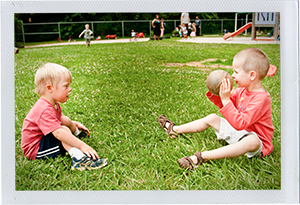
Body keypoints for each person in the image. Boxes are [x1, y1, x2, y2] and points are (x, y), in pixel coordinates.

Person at [158, 47, 274, 170]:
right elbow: (228, 108)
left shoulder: (261, 99)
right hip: (240, 132)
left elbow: (240, 123)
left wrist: (226, 99)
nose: (233, 76)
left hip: (256, 142)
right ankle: (174, 129)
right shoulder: (242, 90)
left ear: (252, 75)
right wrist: (216, 91)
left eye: (236, 72)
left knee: (252, 141)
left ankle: (201, 157)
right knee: (212, 118)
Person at [21, 63, 108, 171]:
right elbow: (58, 133)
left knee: (65, 121)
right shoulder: (44, 109)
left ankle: (78, 135)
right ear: (49, 88)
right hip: (36, 149)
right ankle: (79, 159)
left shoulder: (53, 104)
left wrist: (75, 125)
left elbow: (59, 120)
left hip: (44, 138)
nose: (70, 89)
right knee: (63, 131)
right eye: (66, 86)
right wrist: (82, 146)